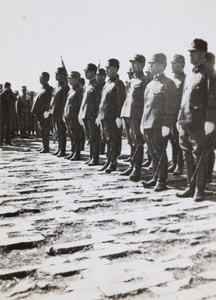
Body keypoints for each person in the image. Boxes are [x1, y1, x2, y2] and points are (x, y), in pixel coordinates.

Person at [176, 39, 216, 201]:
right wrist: (179, 120)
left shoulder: (209, 73)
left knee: (199, 155)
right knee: (187, 154)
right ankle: (189, 187)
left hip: (200, 123)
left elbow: (212, 98)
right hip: (186, 122)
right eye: (190, 52)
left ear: (202, 54)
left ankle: (199, 189)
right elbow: (184, 99)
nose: (190, 55)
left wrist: (210, 121)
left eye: (193, 52)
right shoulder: (191, 74)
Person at [140, 53, 177, 192]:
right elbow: (146, 106)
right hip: (148, 123)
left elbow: (170, 107)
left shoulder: (169, 84)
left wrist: (167, 125)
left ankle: (161, 181)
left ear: (162, 66)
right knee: (152, 152)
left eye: (152, 64)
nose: (149, 66)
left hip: (159, 125)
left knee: (160, 152)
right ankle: (155, 177)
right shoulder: (150, 84)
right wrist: (142, 124)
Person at [96, 58, 126, 173]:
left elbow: (121, 101)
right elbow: (102, 102)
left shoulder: (119, 83)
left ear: (115, 69)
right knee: (107, 140)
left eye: (109, 68)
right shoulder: (107, 84)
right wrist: (99, 116)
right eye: (106, 68)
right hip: (105, 117)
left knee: (114, 141)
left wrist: (119, 116)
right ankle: (108, 161)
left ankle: (113, 163)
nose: (107, 70)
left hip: (113, 117)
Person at [120, 54, 147, 181]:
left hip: (137, 116)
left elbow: (146, 101)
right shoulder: (131, 81)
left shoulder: (145, 80)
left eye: (134, 63)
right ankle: (132, 165)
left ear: (141, 65)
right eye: (131, 63)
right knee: (131, 142)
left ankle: (137, 169)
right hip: (127, 114)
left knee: (138, 143)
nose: (132, 65)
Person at [78, 63, 102, 165]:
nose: (85, 73)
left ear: (93, 72)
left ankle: (95, 158)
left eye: (86, 71)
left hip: (92, 115)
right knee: (89, 137)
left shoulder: (97, 85)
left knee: (94, 137)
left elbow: (98, 102)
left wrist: (98, 116)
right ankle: (91, 156)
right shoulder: (87, 85)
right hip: (86, 115)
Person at [44, 67, 69, 157]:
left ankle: (62, 150)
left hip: (60, 112)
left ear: (62, 75)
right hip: (54, 112)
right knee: (58, 131)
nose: (56, 76)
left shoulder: (65, 86)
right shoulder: (57, 86)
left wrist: (63, 113)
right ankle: (59, 149)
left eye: (57, 74)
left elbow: (65, 101)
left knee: (61, 132)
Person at [168, 54, 186, 175]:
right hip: (170, 113)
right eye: (171, 63)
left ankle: (180, 165)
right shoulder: (172, 80)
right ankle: (174, 162)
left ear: (182, 65)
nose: (172, 65)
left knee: (179, 140)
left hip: (179, 114)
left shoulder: (185, 79)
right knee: (172, 139)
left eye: (174, 63)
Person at [31, 72, 53, 153]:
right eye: (40, 77)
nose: (40, 79)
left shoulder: (49, 89)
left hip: (44, 113)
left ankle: (46, 147)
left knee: (45, 130)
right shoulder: (41, 88)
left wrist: (47, 111)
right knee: (42, 130)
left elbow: (50, 102)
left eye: (42, 77)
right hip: (39, 113)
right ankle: (44, 146)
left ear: (47, 79)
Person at [63, 71, 83, 160]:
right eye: (69, 79)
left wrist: (79, 116)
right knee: (71, 135)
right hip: (69, 116)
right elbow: (67, 103)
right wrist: (64, 114)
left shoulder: (79, 90)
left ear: (76, 79)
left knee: (76, 136)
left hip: (75, 117)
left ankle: (77, 153)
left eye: (71, 79)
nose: (69, 80)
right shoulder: (71, 90)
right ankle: (73, 152)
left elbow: (80, 104)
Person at [204, 52, 216, 182]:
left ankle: (207, 176)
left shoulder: (213, 77)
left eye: (207, 61)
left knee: (209, 148)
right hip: (204, 118)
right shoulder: (203, 77)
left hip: (212, 120)